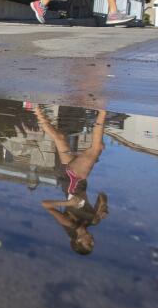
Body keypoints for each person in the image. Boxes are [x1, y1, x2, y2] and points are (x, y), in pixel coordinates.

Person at [32, 106, 110, 255]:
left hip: (73, 179)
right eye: (93, 243)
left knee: (96, 148)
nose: (92, 240)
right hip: (74, 178)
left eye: (89, 243)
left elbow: (45, 205)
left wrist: (68, 203)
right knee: (59, 138)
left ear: (78, 241)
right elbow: (102, 195)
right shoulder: (93, 220)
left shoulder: (70, 223)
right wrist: (103, 207)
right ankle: (35, 109)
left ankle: (102, 111)